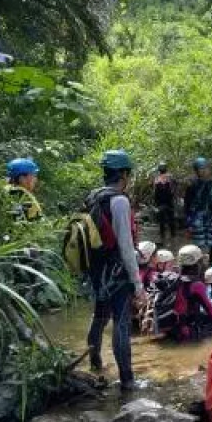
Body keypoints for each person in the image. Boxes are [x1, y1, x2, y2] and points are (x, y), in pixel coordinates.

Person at [85, 150, 144, 391]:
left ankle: (95, 364)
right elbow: (125, 245)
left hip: (97, 269)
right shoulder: (119, 201)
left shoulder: (93, 196)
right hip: (117, 272)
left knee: (99, 317)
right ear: (123, 174)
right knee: (121, 323)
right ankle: (127, 381)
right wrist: (137, 283)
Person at [168, 245, 212, 342]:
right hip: (187, 330)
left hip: (173, 327)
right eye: (201, 261)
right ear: (197, 263)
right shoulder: (197, 285)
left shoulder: (174, 278)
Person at [184, 157, 212, 259]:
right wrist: (188, 225)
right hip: (196, 219)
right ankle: (198, 264)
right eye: (201, 168)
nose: (204, 170)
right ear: (196, 171)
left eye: (206, 168)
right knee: (198, 245)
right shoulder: (192, 186)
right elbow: (187, 205)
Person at [153, 162, 177, 243]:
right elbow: (174, 189)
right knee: (169, 219)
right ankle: (171, 236)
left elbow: (155, 191)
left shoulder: (158, 178)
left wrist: (155, 202)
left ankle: (164, 236)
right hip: (167, 201)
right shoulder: (169, 177)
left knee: (164, 220)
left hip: (163, 202)